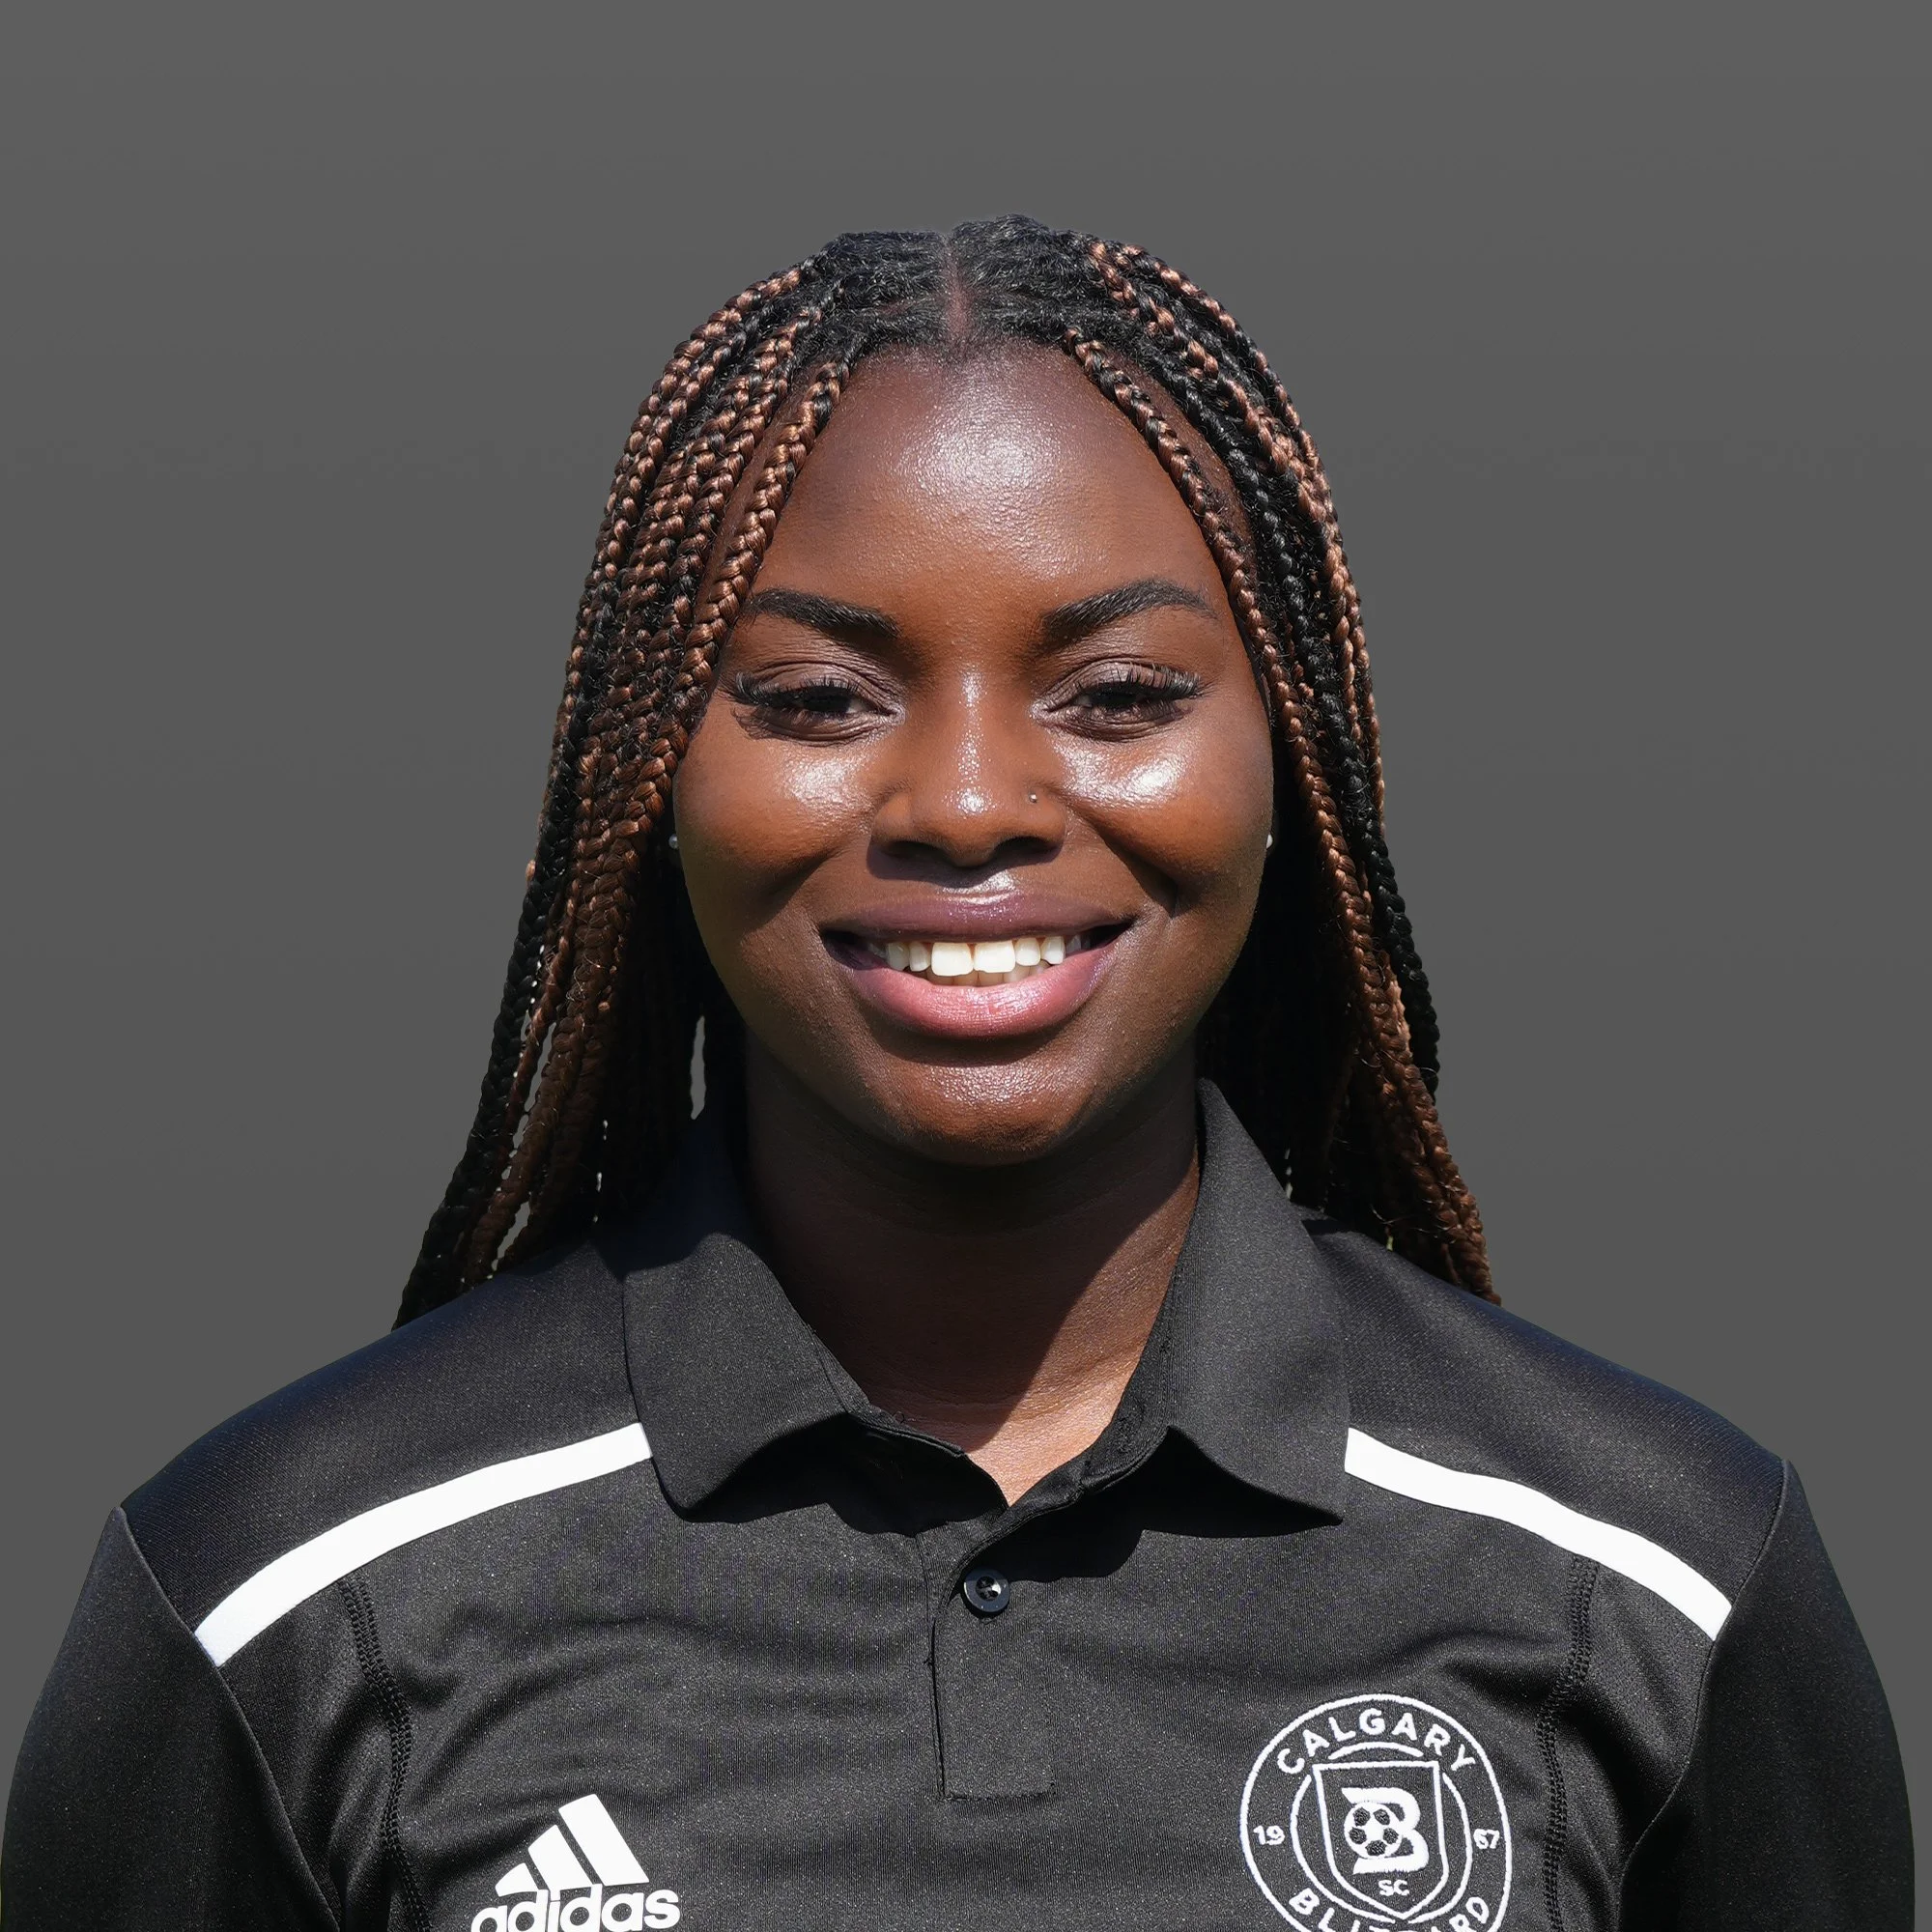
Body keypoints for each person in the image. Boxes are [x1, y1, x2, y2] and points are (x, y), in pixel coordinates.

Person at [2, 218, 1909, 1931]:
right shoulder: (282, 1593)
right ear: (651, 775)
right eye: (819, 698)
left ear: (1291, 773)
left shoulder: (1655, 1578)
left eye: (1119, 694)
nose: (975, 803)